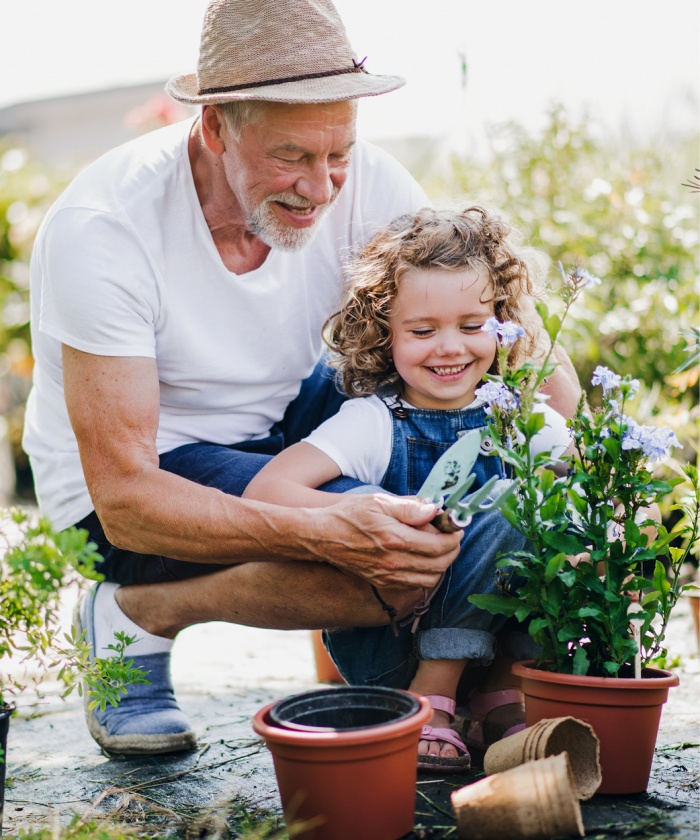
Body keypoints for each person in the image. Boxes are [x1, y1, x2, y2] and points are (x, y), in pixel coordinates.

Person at [22, 0, 580, 757]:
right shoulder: (106, 227)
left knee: (451, 513)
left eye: (338, 154)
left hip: (289, 431)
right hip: (145, 481)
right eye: (291, 157)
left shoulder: (365, 181)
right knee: (388, 563)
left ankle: (473, 683)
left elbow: (514, 330)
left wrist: (595, 484)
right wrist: (326, 529)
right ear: (216, 126)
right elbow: (126, 501)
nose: (322, 188)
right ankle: (139, 613)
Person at [243, 205, 573, 772]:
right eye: (422, 331)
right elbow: (267, 490)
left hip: (495, 651)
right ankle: (431, 698)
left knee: (557, 514)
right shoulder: (375, 421)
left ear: (501, 322)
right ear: (383, 332)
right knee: (506, 510)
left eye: (473, 326)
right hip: (389, 648)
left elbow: (588, 475)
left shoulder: (519, 417)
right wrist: (360, 507)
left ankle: (497, 696)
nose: (450, 348)